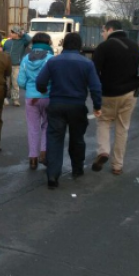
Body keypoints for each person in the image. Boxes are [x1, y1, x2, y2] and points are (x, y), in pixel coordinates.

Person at [36, 33, 102, 190]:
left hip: (57, 105)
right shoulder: (87, 64)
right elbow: (95, 87)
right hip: (77, 106)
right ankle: (77, 169)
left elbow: (40, 82)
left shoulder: (53, 61)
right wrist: (97, 105)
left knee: (54, 139)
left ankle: (52, 175)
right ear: (79, 46)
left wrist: (44, 89)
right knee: (77, 138)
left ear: (64, 44)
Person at [92, 20, 139, 176]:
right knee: (122, 128)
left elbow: (94, 72)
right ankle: (117, 165)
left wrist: (95, 95)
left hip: (108, 93)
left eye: (103, 31)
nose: (102, 34)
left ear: (110, 29)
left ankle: (104, 151)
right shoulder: (134, 46)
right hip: (129, 93)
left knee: (104, 122)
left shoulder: (103, 47)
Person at [18, 32, 54, 170]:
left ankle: (32, 157)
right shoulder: (51, 59)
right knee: (46, 125)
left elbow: (21, 81)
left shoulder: (26, 58)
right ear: (48, 43)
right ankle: (44, 153)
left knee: (33, 128)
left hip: (31, 98)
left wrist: (29, 89)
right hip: (47, 97)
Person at [3, 26, 32, 106]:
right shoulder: (7, 42)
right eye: (11, 32)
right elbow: (3, 51)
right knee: (6, 83)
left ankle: (15, 99)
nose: (11, 33)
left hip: (16, 65)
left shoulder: (22, 42)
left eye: (13, 32)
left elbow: (30, 40)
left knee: (15, 83)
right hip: (6, 66)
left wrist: (23, 33)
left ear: (17, 34)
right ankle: (5, 98)